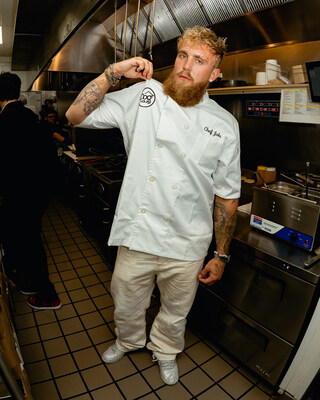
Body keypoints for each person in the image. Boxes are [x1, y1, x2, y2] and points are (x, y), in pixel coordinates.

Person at [66, 26, 241, 385]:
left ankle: (164, 350)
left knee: (176, 312)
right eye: (182, 56)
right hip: (139, 232)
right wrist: (113, 73)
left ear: (215, 73)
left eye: (199, 60)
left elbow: (226, 196)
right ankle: (127, 340)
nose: (186, 66)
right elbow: (75, 116)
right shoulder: (144, 95)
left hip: (188, 241)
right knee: (127, 300)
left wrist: (220, 254)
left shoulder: (225, 125)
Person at [0, 72, 61, 310]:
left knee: (29, 241)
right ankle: (27, 282)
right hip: (38, 192)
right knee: (24, 238)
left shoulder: (4, 121)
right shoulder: (30, 116)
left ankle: (48, 295)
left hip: (19, 194)